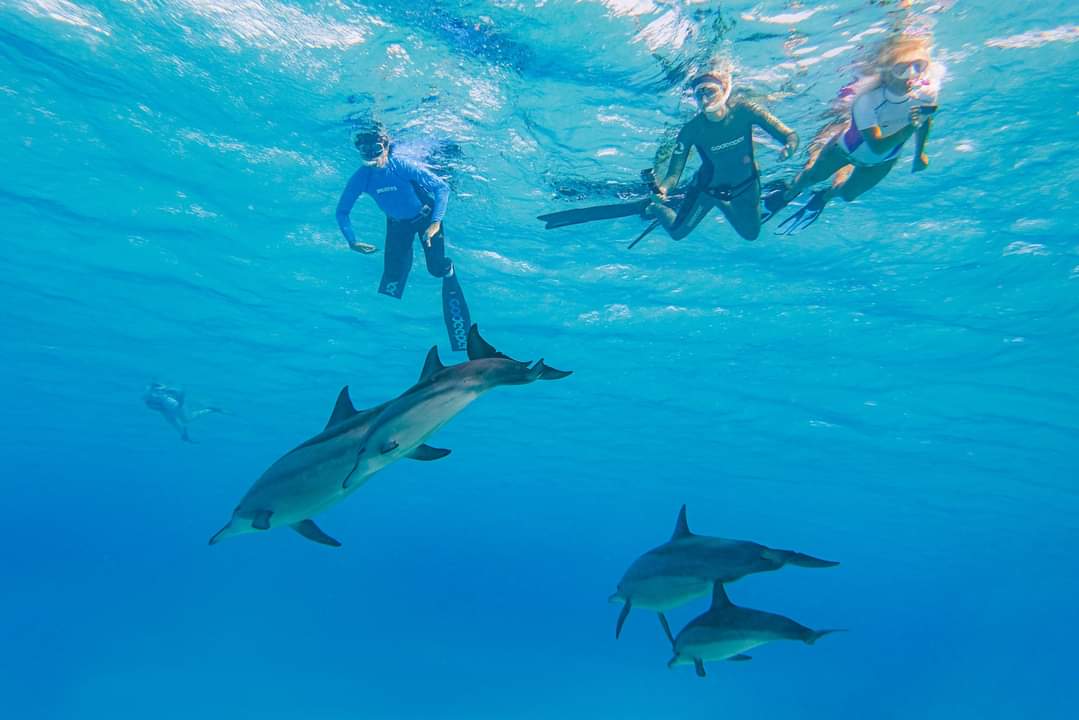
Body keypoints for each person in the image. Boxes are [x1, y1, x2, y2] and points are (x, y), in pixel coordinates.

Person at [765, 33, 939, 234]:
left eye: (919, 66)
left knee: (847, 195)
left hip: (882, 161)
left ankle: (823, 197)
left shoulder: (925, 93)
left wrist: (920, 153)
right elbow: (877, 144)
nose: (912, 75)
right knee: (811, 176)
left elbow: (924, 118)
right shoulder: (867, 100)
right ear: (886, 74)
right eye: (902, 69)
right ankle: (786, 195)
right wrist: (911, 126)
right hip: (844, 150)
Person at [336, 123, 472, 352]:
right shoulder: (361, 178)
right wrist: (352, 241)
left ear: (386, 146)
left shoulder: (402, 166)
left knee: (435, 269)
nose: (372, 157)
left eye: (377, 149)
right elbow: (342, 212)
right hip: (397, 225)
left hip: (426, 218)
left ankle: (448, 270)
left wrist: (436, 222)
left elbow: (441, 189)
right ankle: (385, 326)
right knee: (392, 276)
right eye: (365, 152)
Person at [645, 63, 799, 242]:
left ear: (724, 89)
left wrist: (790, 146)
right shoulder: (691, 130)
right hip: (708, 190)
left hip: (747, 183)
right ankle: (654, 209)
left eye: (709, 91)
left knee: (751, 235)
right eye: (698, 94)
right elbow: (673, 175)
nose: (704, 99)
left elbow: (789, 134)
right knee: (677, 233)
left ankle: (722, 204)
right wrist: (662, 189)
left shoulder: (745, 110)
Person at [143, 383, 223, 443]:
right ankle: (184, 434)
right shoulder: (148, 396)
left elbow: (180, 394)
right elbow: (149, 405)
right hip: (165, 409)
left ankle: (210, 409)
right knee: (173, 422)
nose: (157, 393)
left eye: (159, 391)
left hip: (176, 406)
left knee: (187, 419)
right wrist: (160, 408)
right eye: (155, 392)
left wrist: (179, 402)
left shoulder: (166, 394)